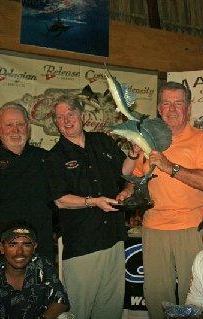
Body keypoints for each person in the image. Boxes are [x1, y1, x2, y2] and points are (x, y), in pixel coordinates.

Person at [128, 82, 203, 318]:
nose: (172, 109)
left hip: (192, 228)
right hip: (154, 228)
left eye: (178, 103)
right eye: (166, 103)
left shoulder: (202, 139)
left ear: (188, 108)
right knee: (157, 297)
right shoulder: (147, 140)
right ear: (159, 109)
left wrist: (170, 167)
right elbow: (135, 179)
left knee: (197, 296)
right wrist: (127, 190)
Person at [45, 95, 135, 319]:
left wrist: (132, 161)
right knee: (79, 312)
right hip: (82, 248)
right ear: (56, 123)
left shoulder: (102, 141)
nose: (66, 120)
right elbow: (60, 199)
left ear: (82, 116)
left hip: (114, 241)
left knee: (110, 311)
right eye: (60, 117)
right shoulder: (54, 157)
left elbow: (126, 173)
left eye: (71, 114)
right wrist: (92, 202)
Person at [0, 102, 54, 279]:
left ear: (28, 128)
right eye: (9, 125)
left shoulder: (46, 159)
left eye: (20, 124)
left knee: (41, 306)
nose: (15, 130)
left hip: (39, 256)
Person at [0, 221, 70, 319]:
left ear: (34, 248)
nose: (20, 251)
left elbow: (61, 301)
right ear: (1, 248)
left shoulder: (41, 266)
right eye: (12, 245)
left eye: (26, 245)